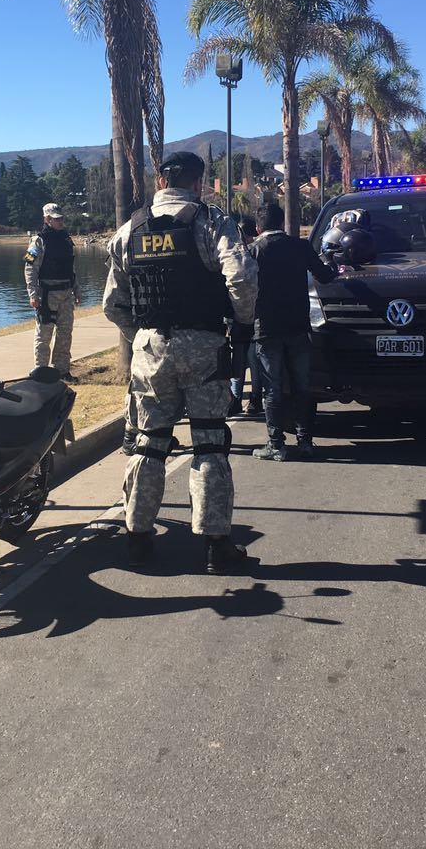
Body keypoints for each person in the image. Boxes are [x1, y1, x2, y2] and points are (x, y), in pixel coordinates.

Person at [102, 150, 258, 572]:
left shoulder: (129, 230)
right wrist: (242, 322)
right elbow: (241, 277)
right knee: (209, 441)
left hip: (150, 350)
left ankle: (137, 538)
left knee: (148, 443)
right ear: (198, 182)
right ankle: (215, 546)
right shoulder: (212, 223)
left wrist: (143, 337)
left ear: (160, 182)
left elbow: (113, 305)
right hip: (204, 346)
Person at [249, 201, 337, 461]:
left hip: (266, 328)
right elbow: (324, 276)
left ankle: (276, 444)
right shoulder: (300, 247)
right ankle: (305, 440)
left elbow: (242, 286)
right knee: (303, 386)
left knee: (272, 389)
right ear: (281, 223)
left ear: (258, 228)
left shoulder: (253, 251)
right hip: (298, 326)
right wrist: (333, 262)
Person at [24, 203, 83, 382]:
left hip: (66, 293)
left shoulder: (66, 239)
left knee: (65, 334)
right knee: (44, 335)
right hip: (47, 295)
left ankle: (62, 371)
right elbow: (29, 268)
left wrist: (77, 290)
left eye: (61, 218)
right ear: (47, 219)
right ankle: (40, 374)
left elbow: (71, 268)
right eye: (56, 219)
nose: (60, 221)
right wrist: (33, 294)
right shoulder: (38, 241)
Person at [228, 215, 263, 416]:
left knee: (249, 358)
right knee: (242, 359)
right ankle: (240, 398)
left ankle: (251, 398)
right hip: (243, 317)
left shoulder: (249, 253)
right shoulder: (245, 253)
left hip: (250, 316)